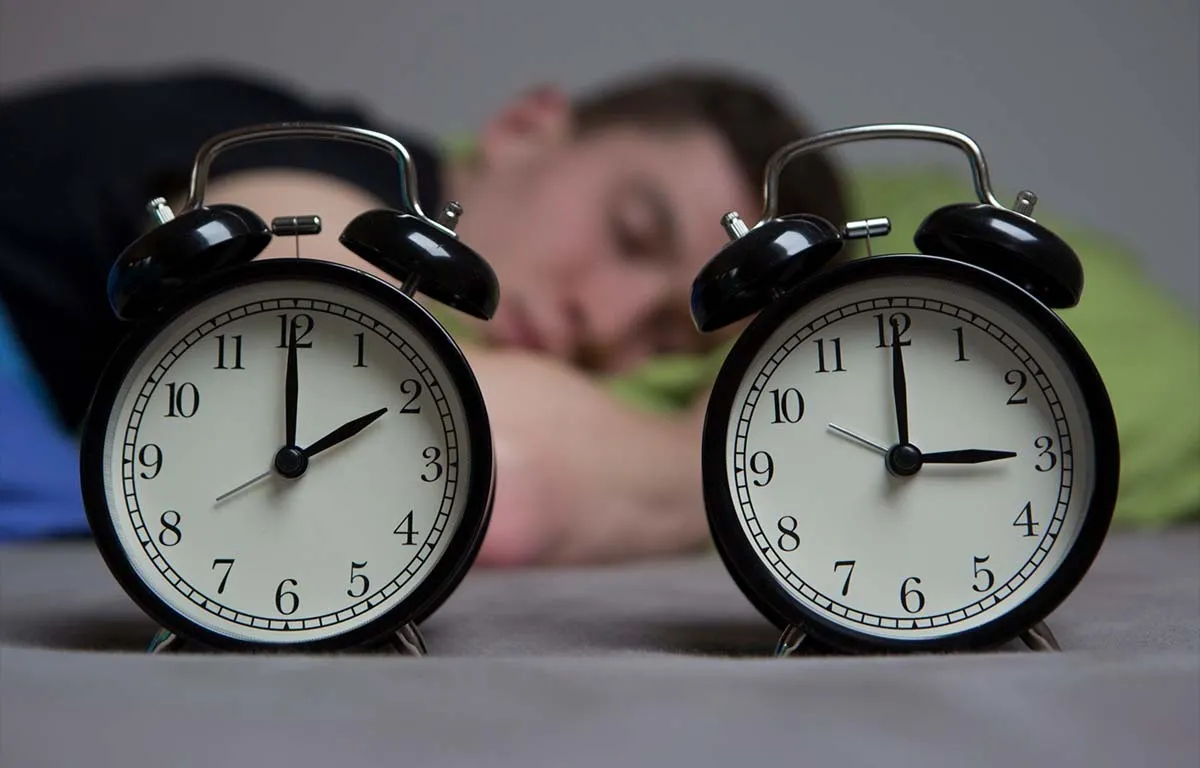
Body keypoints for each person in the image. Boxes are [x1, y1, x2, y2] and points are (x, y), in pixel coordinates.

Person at [1, 67, 1197, 562]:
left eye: (668, 337)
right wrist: (740, 456)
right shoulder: (305, 152)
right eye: (631, 230)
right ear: (528, 128)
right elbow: (327, 371)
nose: (607, 323)